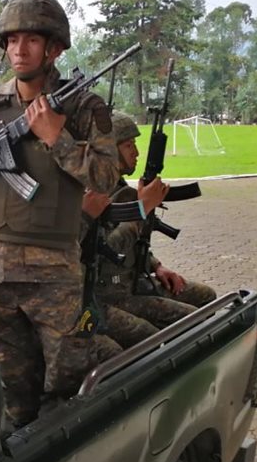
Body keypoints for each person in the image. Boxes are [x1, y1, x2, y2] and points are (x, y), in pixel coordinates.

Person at [0, 0, 119, 427]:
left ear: (54, 49)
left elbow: (106, 178)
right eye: (12, 40)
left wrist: (57, 138)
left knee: (67, 388)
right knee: (9, 388)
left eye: (32, 40)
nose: (19, 50)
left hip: (53, 274)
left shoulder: (84, 106)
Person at [82, 111, 217, 347]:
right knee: (186, 322)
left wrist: (156, 266)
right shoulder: (92, 193)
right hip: (109, 293)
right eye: (128, 145)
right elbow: (106, 250)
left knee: (206, 296)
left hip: (134, 279)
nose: (136, 152)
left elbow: (134, 244)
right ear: (109, 151)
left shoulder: (119, 186)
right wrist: (142, 210)